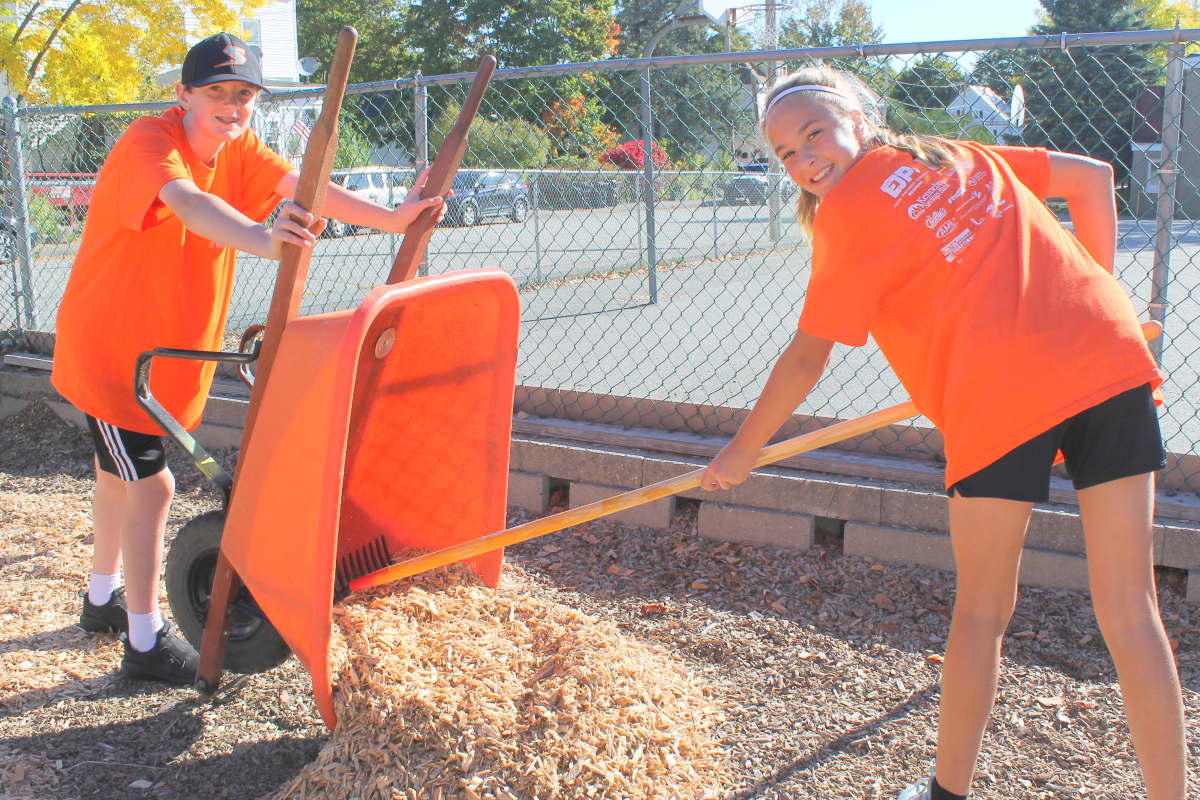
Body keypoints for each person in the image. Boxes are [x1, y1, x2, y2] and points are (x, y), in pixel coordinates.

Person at [700, 66, 1186, 800]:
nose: (804, 160)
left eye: (814, 134)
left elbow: (808, 355)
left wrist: (743, 450)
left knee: (984, 610)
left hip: (1000, 399)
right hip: (1107, 354)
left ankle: (946, 795)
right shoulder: (951, 152)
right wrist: (1098, 290)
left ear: (858, 119)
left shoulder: (849, 210)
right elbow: (1093, 181)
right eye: (785, 154)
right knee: (1131, 607)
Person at [52, 32, 446, 685]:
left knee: (115, 476)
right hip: (115, 356)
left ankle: (101, 601)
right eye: (216, 93)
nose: (232, 107)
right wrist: (262, 237)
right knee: (152, 485)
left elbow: (305, 185)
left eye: (244, 95)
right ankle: (143, 642)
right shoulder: (149, 145)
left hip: (162, 353)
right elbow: (188, 203)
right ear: (183, 95)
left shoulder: (241, 149)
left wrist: (395, 220)